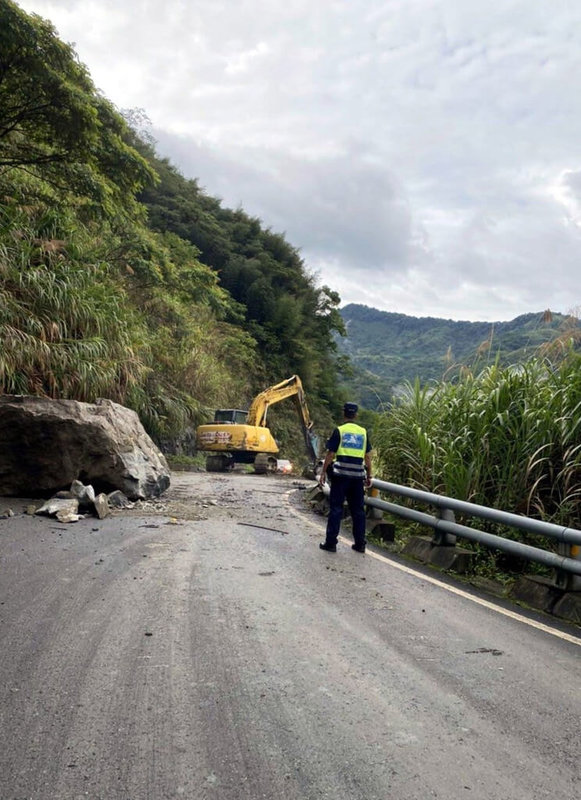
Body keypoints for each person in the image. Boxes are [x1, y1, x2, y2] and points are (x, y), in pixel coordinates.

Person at [318, 402, 372, 553]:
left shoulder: (339, 431)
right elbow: (367, 457)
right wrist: (369, 475)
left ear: (344, 414)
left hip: (340, 476)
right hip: (357, 478)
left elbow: (330, 454)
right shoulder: (363, 432)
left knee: (336, 508)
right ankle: (360, 544)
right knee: (358, 511)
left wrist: (323, 472)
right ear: (356, 415)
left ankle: (331, 543)